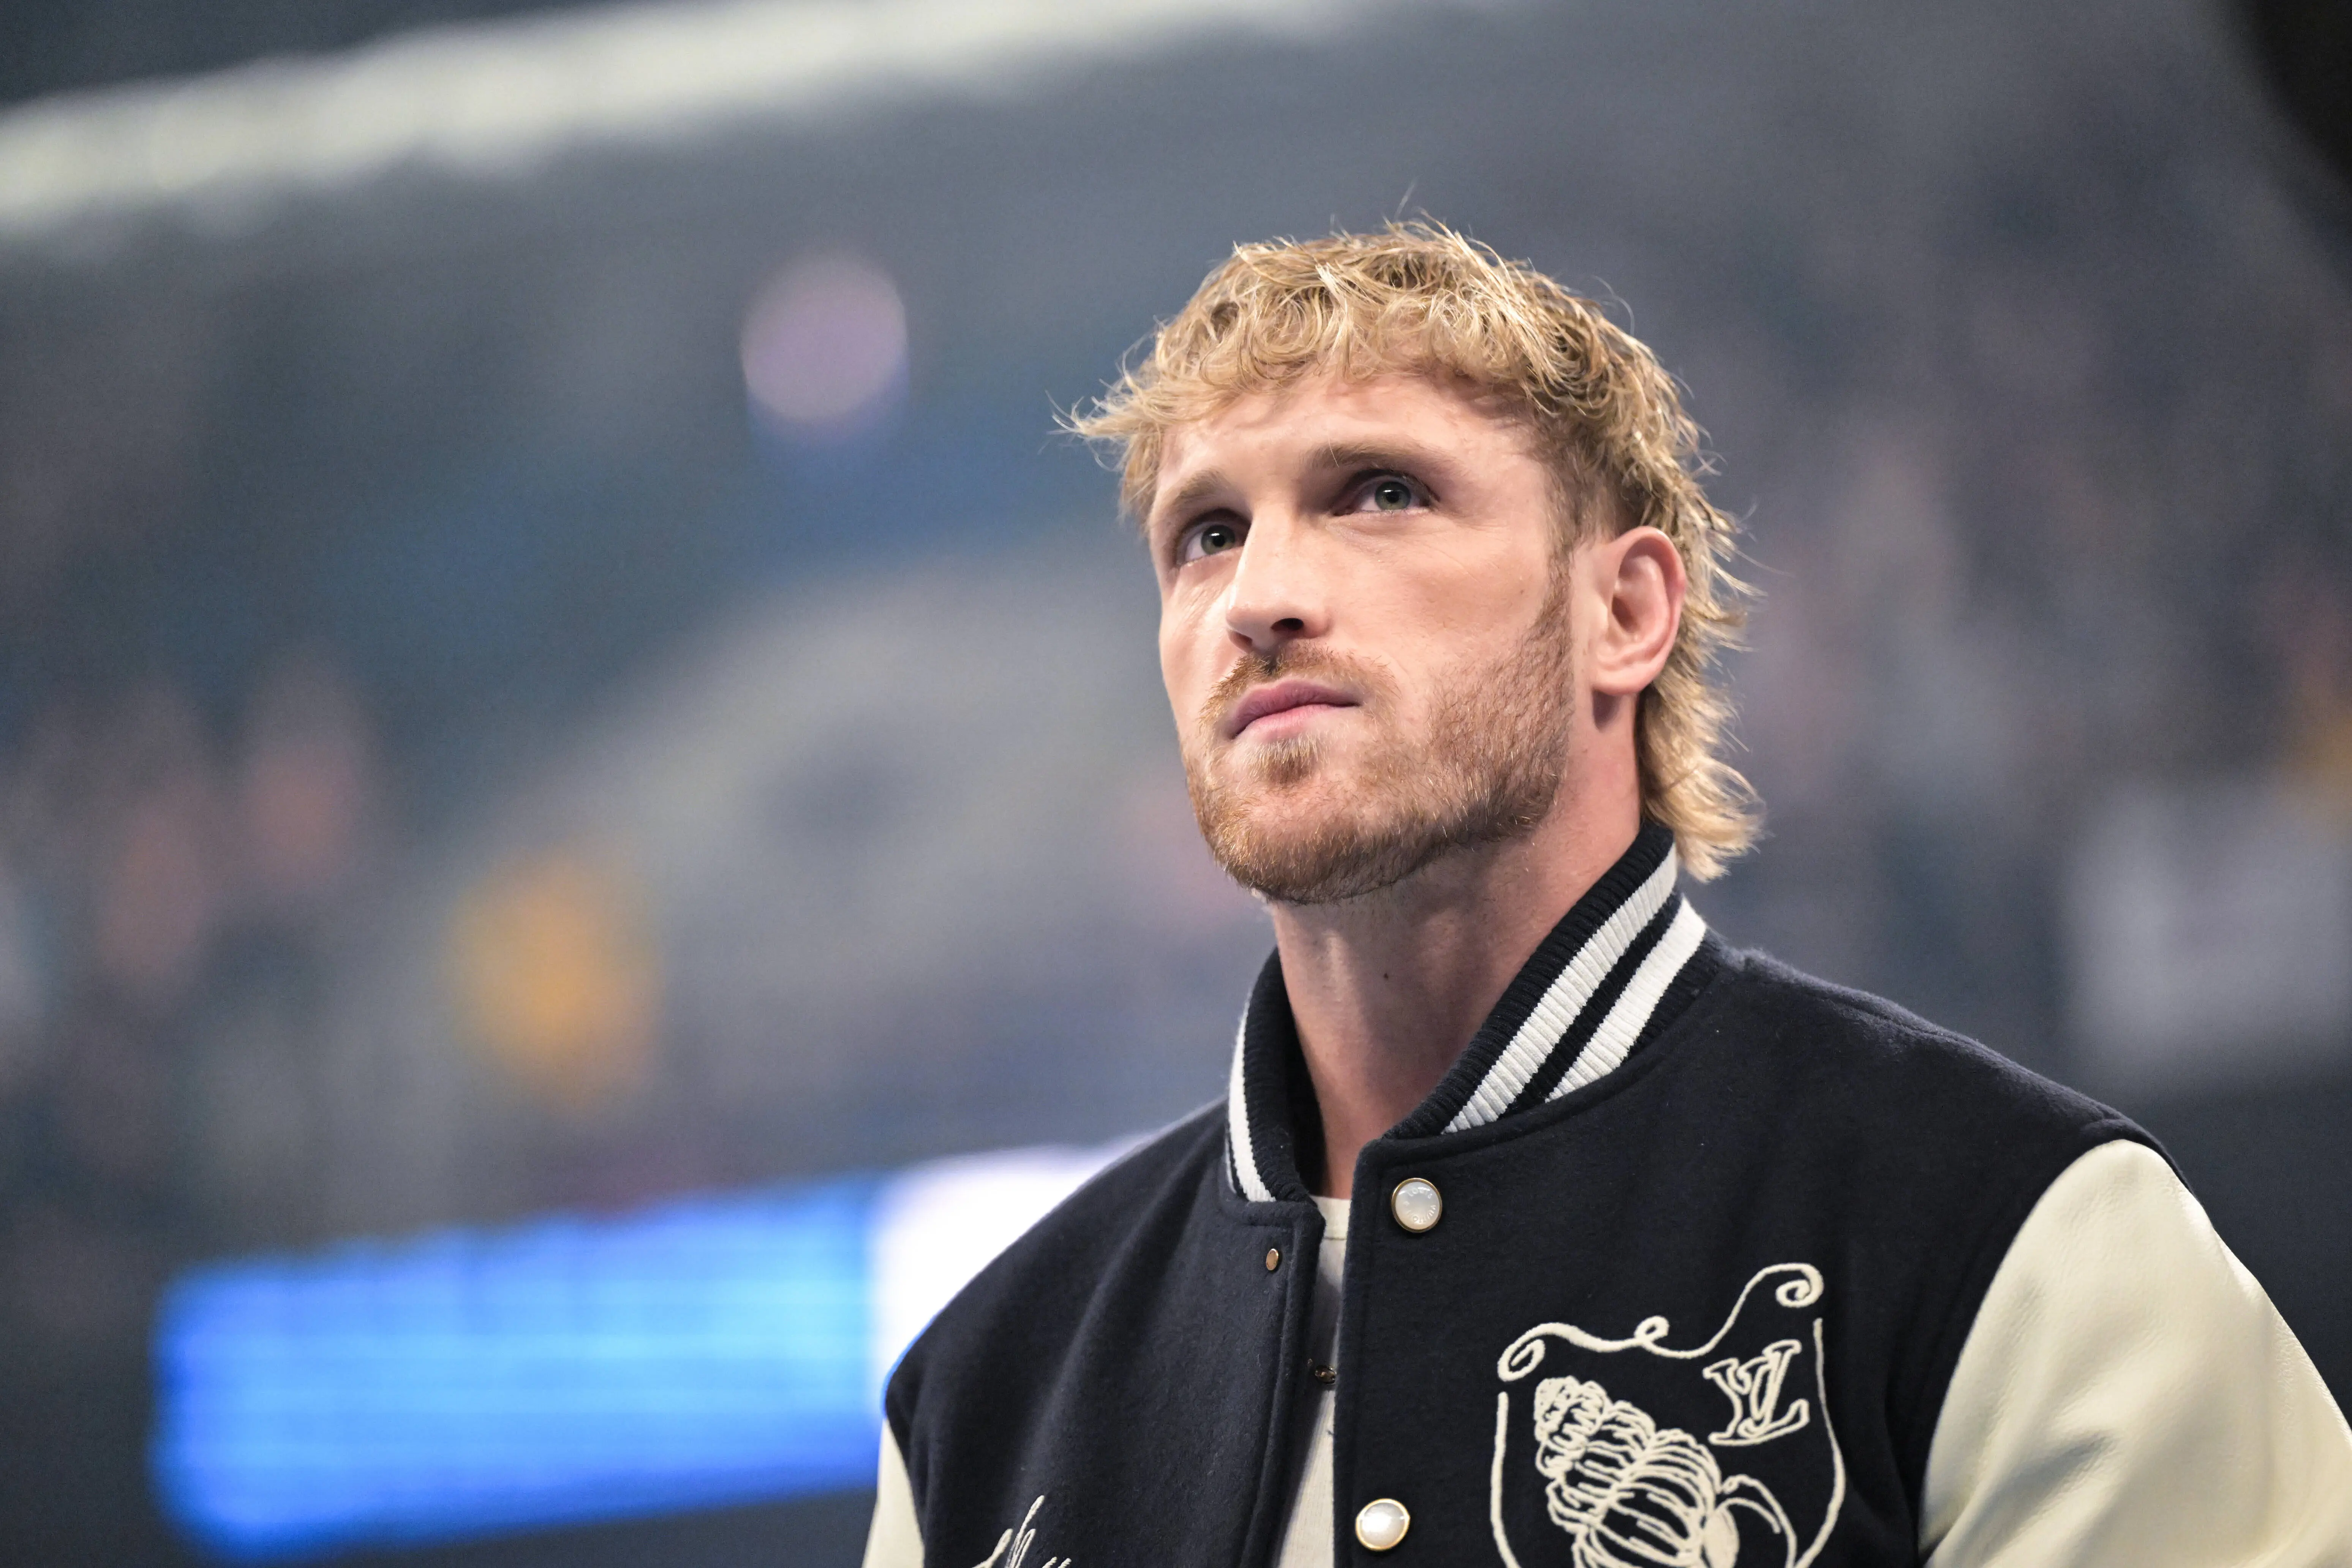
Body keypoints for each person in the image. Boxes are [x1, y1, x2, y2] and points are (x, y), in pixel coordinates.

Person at [859, 225, 2352, 1567]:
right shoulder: (977, 1400)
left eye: (1380, 493)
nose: (1259, 596)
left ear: (1624, 612)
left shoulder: (2019, 1238)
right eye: (1207, 533)